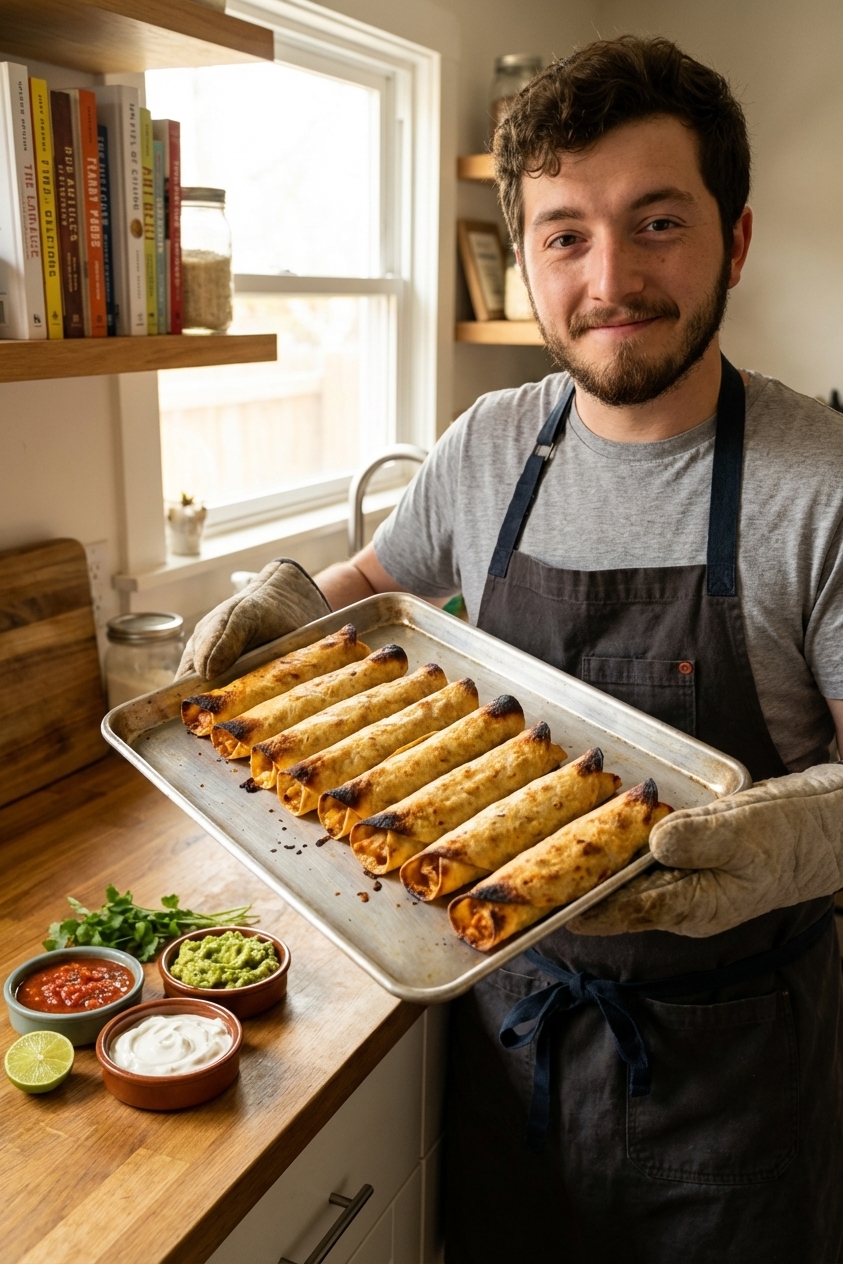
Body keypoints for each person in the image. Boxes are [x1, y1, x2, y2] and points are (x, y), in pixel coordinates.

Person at [179, 36, 843, 1262]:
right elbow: (380, 583)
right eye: (564, 235)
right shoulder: (491, 441)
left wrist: (787, 836)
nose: (610, 280)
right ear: (529, 258)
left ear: (734, 241)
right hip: (506, 1030)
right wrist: (280, 607)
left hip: (732, 1073)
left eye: (657, 224)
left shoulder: (820, 486)